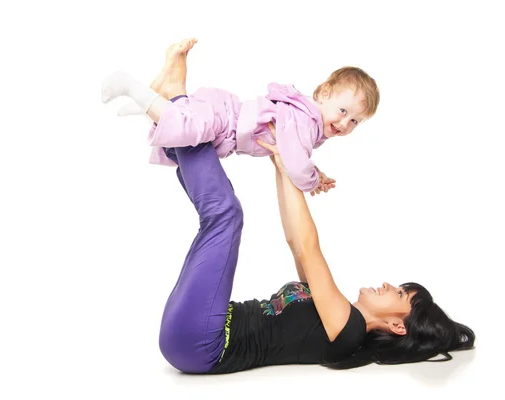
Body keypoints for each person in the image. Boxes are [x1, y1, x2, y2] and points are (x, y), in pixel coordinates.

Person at [101, 43, 476, 374]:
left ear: (398, 326)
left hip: (204, 343)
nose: (389, 285)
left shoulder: (348, 330)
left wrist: (291, 166)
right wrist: (282, 161)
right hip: (198, 330)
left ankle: (175, 103)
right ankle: (173, 107)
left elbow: (311, 249)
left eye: (399, 295)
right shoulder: (336, 309)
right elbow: (297, 241)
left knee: (225, 216)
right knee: (220, 216)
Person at [101, 38, 380, 195]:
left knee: (182, 134)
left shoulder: (306, 121)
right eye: (344, 112)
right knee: (187, 128)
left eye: (355, 121)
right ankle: (130, 86)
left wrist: (314, 170)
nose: (345, 123)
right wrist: (312, 181)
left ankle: (153, 101)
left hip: (226, 119)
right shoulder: (307, 120)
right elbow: (295, 163)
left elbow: (294, 151)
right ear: (325, 93)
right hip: (226, 119)